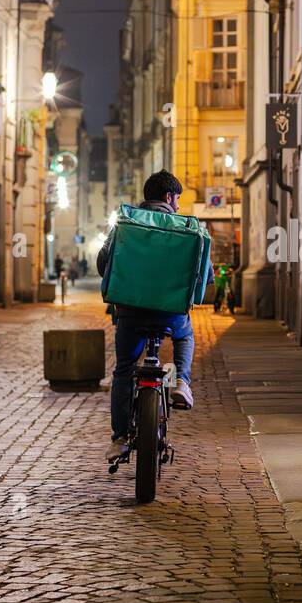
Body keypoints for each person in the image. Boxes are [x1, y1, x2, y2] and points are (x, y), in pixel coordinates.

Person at [105, 170, 213, 457]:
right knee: (186, 334)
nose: (177, 206)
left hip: (130, 314)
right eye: (177, 199)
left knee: (124, 370)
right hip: (170, 315)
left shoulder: (124, 224)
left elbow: (104, 261)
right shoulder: (187, 226)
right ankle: (182, 382)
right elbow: (205, 271)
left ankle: (119, 438)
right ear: (168, 197)